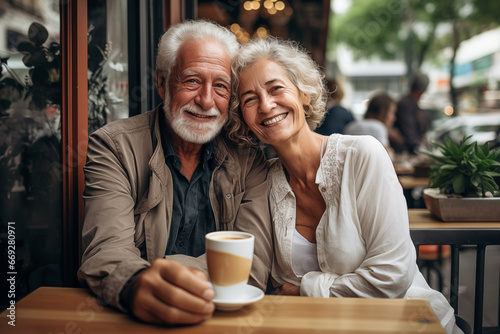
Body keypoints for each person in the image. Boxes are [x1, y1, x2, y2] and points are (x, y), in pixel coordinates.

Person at [227, 37, 462, 334]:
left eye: (276, 88)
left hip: (408, 325)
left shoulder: (362, 155)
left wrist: (305, 290)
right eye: (249, 98)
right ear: (244, 119)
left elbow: (392, 277)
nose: (265, 104)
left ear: (304, 95)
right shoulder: (261, 183)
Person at [78, 20, 272, 325]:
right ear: (161, 83)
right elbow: (106, 252)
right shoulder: (113, 146)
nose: (206, 101)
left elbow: (252, 264)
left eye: (221, 86)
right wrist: (135, 284)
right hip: (137, 321)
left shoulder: (250, 159)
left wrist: (154, 270)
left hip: (225, 323)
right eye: (192, 81)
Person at [391, 72, 429, 154]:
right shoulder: (406, 104)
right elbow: (409, 133)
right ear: (423, 90)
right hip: (405, 152)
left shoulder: (410, 103)